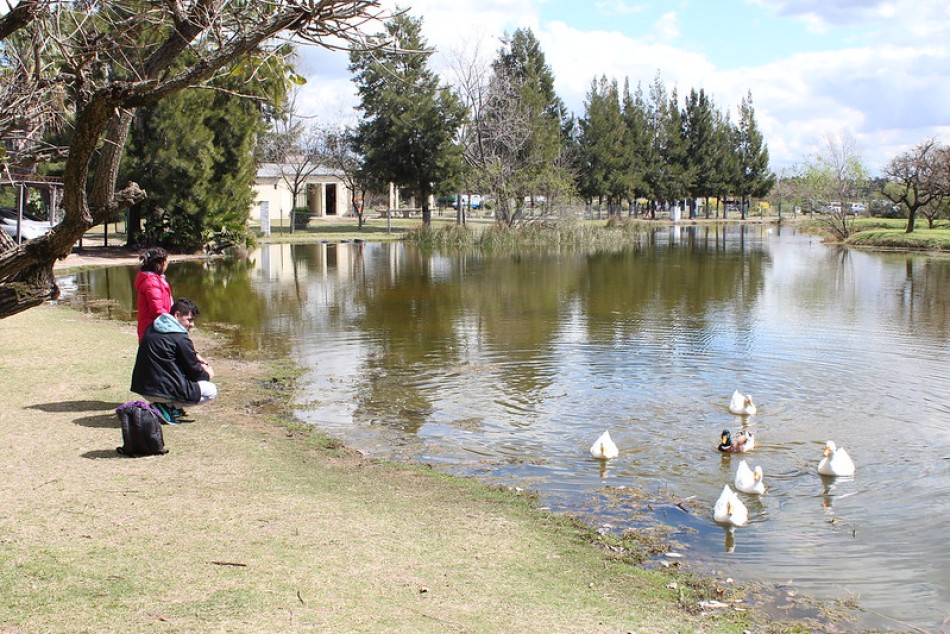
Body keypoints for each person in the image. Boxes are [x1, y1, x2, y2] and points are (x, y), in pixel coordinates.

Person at [131, 297, 217, 422]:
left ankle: (167, 407)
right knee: (211, 391)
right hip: (161, 392)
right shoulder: (180, 337)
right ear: (177, 315)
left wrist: (194, 354)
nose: (192, 325)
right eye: (189, 320)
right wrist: (207, 373)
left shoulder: (154, 326)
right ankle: (166, 407)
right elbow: (196, 373)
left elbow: (171, 352)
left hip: (144, 387)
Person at [135, 247, 172, 341]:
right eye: (167, 262)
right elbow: (157, 310)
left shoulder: (156, 280)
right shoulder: (152, 282)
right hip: (154, 333)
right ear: (163, 263)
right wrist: (173, 324)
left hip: (156, 330)